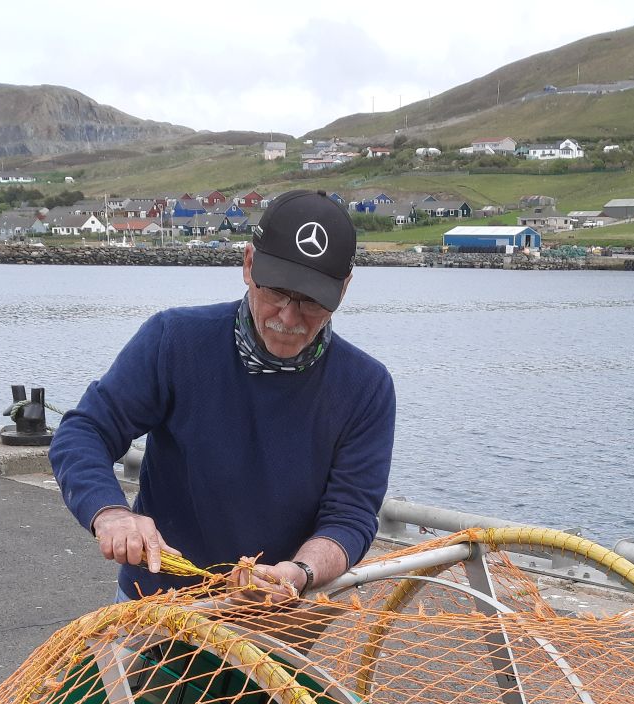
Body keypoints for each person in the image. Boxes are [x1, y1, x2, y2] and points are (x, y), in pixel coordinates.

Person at [49, 190, 395, 602]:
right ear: (248, 264)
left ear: (344, 289)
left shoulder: (366, 387)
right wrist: (111, 513)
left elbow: (351, 515)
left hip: (277, 613)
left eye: (311, 303)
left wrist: (300, 571)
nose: (288, 317)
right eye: (276, 293)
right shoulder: (174, 340)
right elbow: (85, 431)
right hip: (158, 604)